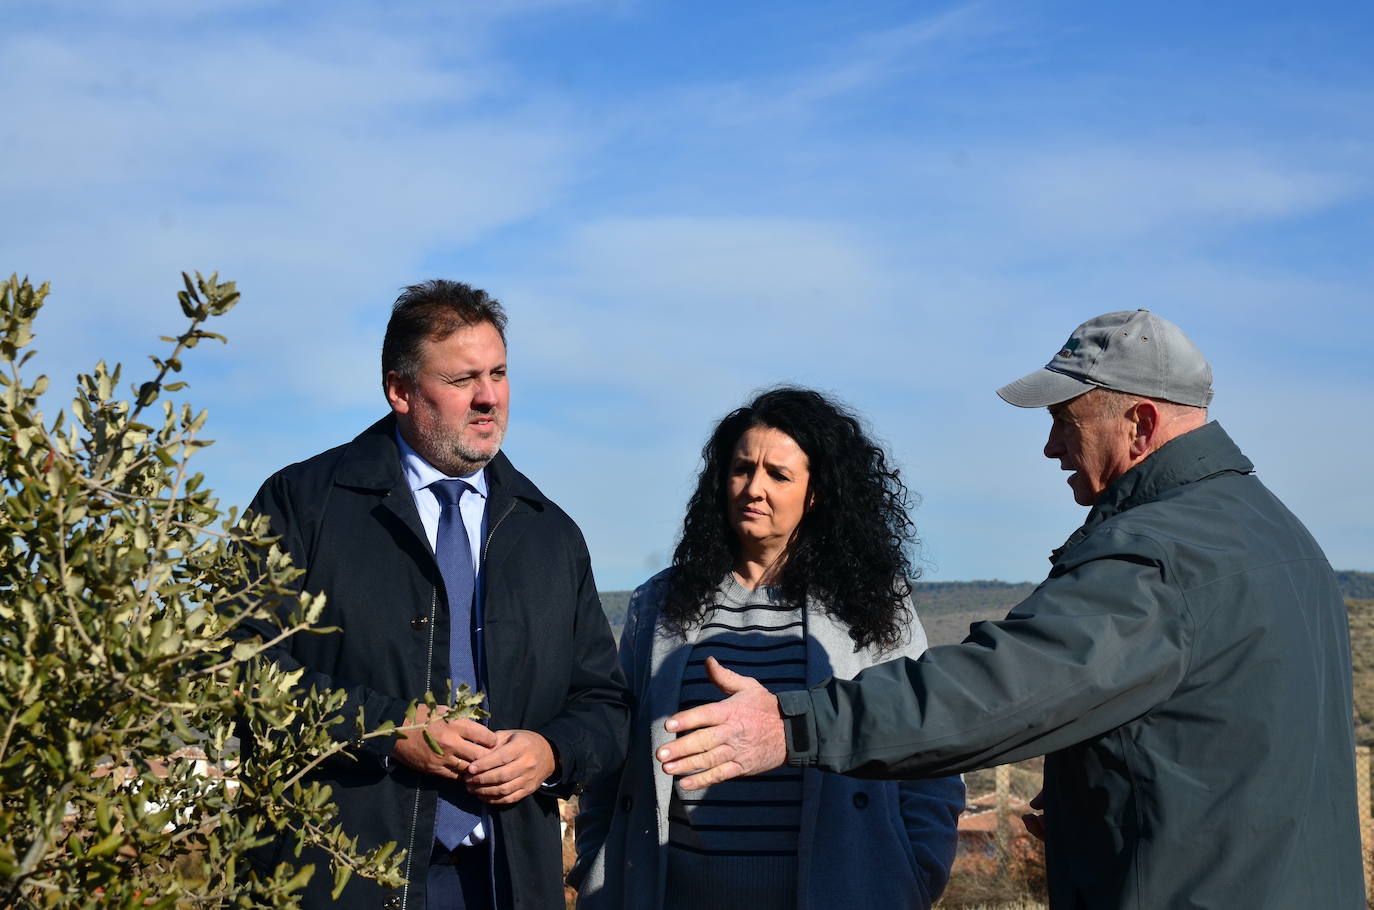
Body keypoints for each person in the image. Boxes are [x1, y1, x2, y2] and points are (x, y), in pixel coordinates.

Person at [654, 311, 1366, 909]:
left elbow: (997, 690)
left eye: (1066, 420)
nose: (1052, 444)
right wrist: (1103, 800)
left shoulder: (1157, 555)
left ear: (1140, 422)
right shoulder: (1279, 536)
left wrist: (791, 724)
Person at [242, 280, 629, 910]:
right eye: (462, 379)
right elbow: (241, 666)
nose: (488, 398)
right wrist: (386, 728)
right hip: (341, 878)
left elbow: (605, 704)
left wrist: (552, 751)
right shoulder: (301, 504)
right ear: (400, 390)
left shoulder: (550, 534)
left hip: (505, 879)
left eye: (499, 373)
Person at [571, 388, 964, 910]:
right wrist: (596, 861)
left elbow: (928, 744)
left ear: (816, 492)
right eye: (741, 469)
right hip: (671, 894)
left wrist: (916, 872)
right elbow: (615, 750)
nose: (754, 488)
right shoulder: (660, 602)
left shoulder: (873, 603)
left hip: (841, 892)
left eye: (778, 475)